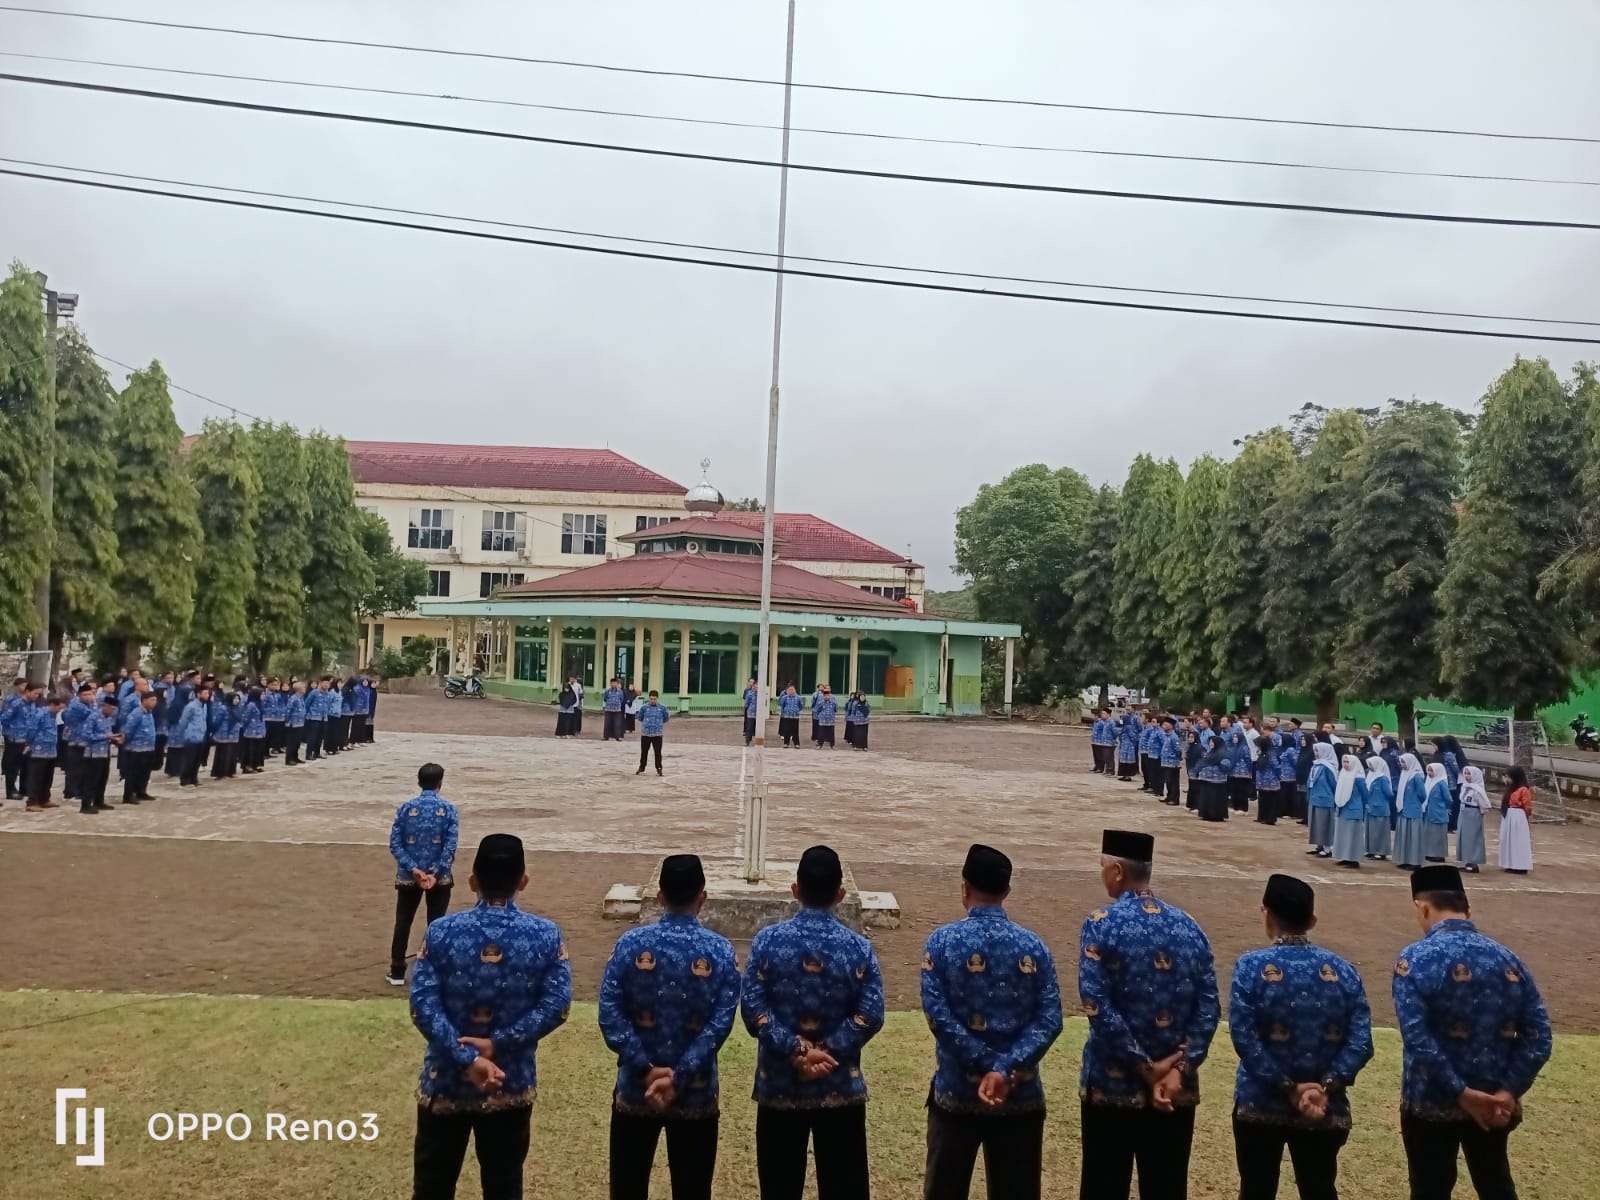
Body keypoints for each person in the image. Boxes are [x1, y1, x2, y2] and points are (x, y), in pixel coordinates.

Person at [409, 833, 572, 1200]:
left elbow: (423, 1006)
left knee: (432, 1187)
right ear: (523, 881)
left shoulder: (442, 932)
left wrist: (466, 1058)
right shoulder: (545, 935)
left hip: (446, 1080)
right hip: (508, 1081)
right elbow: (557, 1006)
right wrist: (496, 1044)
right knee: (503, 1186)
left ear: (472, 881)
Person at [1393, 864, 1551, 1200]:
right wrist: (1508, 1092)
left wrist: (1460, 1092)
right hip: (1494, 1104)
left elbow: (1417, 1038)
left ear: (1422, 907)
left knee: (1429, 1189)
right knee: (1496, 1184)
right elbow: (1539, 1036)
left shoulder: (1415, 959)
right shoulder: (1509, 960)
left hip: (1431, 1103)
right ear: (1467, 908)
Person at [1078, 830, 1219, 1200]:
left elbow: (1095, 1003)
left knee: (1103, 1186)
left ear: (1119, 871)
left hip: (1113, 1087)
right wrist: (1179, 1068)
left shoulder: (1101, 922)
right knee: (1167, 1186)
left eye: (1103, 866)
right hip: (1174, 1090)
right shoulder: (1190, 925)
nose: (1102, 874)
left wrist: (1142, 1065)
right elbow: (1209, 1007)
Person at [741, 846, 884, 1200]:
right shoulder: (859, 948)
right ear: (840, 894)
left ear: (795, 890)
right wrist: (825, 1051)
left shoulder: (767, 941)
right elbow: (870, 1016)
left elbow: (753, 1008)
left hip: (779, 1087)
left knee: (778, 1189)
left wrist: (797, 1049)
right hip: (839, 1088)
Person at [920, 844, 1062, 1200]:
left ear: (964, 888)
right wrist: (1005, 1069)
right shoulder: (1034, 946)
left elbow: (938, 1016)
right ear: (1007, 892)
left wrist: (985, 1065)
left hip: (956, 1094)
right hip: (1019, 1095)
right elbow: (1050, 1020)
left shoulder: (942, 943)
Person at [600, 853, 740, 1200]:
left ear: (660, 896)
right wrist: (679, 1076)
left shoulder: (630, 945)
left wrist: (645, 1069)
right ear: (703, 896)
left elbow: (610, 1014)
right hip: (695, 1091)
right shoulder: (720, 950)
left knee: (628, 1187)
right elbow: (720, 1024)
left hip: (636, 1088)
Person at [1230, 874, 1374, 1200]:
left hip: (1260, 1104)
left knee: (1255, 1189)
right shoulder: (1343, 971)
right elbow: (1361, 1041)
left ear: (1266, 914)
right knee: (1320, 1188)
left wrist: (1287, 1087)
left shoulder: (1250, 967)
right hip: (1324, 1106)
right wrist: (1325, 1087)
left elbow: (1244, 1038)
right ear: (1312, 920)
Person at [387, 763, 459, 987]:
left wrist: (414, 869)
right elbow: (450, 846)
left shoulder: (407, 808)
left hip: (410, 876)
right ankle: (433, 971)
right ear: (440, 783)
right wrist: (435, 872)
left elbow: (395, 844)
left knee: (403, 922)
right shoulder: (448, 809)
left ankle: (397, 970)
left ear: (419, 782)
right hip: (440, 877)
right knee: (436, 923)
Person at [22, 691, 67, 811]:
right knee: (36, 777)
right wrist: (29, 744)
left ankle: (44, 799)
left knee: (47, 777)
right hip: (38, 750)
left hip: (51, 751)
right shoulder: (40, 714)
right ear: (52, 704)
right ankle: (32, 802)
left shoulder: (53, 716)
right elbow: (31, 731)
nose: (59, 711)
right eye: (59, 708)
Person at [78, 695, 121, 815]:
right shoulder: (93, 717)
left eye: (114, 709)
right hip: (93, 754)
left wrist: (115, 739)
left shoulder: (109, 718)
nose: (112, 711)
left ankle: (99, 801)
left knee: (102, 779)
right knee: (91, 780)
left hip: (105, 752)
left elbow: (109, 734)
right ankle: (86, 805)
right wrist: (105, 737)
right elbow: (86, 735)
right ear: (104, 706)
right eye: (111, 708)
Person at [120, 690, 159, 804]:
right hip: (136, 748)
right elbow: (129, 730)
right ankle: (128, 795)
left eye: (155, 700)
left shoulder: (149, 713)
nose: (154, 703)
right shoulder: (136, 713)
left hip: (148, 747)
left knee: (145, 772)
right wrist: (126, 741)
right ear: (144, 700)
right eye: (152, 700)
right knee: (133, 773)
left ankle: (141, 791)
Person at [60, 682, 94, 803]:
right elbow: (94, 716)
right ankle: (70, 792)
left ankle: (79, 790)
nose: (88, 696)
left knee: (83, 767)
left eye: (90, 694)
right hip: (74, 740)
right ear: (79, 695)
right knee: (74, 768)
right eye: (85, 694)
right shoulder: (77, 705)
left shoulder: (88, 704)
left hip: (84, 740)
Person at [1332, 753, 1367, 869]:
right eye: (1344, 762)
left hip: (1354, 810)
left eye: (1347, 762)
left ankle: (1354, 860)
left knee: (1353, 836)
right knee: (1343, 834)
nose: (1345, 764)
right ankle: (1345, 857)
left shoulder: (1358, 778)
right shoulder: (1343, 774)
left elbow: (1365, 795)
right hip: (1343, 809)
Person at [1394, 753, 1428, 870]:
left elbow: (1422, 794)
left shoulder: (1416, 776)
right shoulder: (1404, 774)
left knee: (1413, 837)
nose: (1402, 765)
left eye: (1404, 762)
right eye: (1401, 762)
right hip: (1404, 810)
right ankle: (1406, 860)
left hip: (1413, 811)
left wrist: (1414, 803)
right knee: (1405, 836)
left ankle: (1415, 862)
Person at [1454, 765, 1490, 875]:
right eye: (1465, 773)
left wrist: (1478, 815)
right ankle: (1467, 862)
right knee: (1464, 838)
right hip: (1464, 813)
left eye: (1469, 774)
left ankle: (1473, 863)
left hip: (1473, 814)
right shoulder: (1465, 786)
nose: (1466, 776)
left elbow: (1484, 805)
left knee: (1473, 838)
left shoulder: (1478, 789)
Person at [1497, 766, 1533, 875]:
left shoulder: (1523, 790)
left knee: (1518, 841)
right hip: (1509, 815)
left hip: (1518, 815)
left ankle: (1520, 865)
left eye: (1508, 776)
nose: (1506, 779)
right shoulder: (1510, 789)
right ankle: (1510, 863)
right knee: (1509, 840)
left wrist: (1524, 817)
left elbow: (1527, 806)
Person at [1304, 743, 1338, 857]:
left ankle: (1328, 847)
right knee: (1315, 824)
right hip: (1314, 798)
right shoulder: (1315, 765)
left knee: (1324, 824)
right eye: (1315, 750)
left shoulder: (1328, 768)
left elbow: (1333, 784)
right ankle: (1319, 845)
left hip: (1325, 800)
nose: (1316, 753)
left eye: (1318, 750)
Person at [176, 684, 212, 787]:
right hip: (191, 737)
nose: (207, 695)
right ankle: (185, 780)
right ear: (198, 694)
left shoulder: (204, 706)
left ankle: (193, 779)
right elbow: (183, 722)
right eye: (205, 693)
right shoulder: (190, 706)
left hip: (201, 736)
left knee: (197, 760)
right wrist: (185, 734)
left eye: (208, 693)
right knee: (189, 760)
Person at [1364, 755, 1395, 861]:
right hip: (1370, 807)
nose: (1370, 767)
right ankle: (1371, 849)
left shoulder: (1382, 778)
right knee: (1371, 830)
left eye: (1372, 765)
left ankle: (1381, 851)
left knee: (1380, 831)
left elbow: (1389, 793)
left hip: (1380, 808)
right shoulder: (1370, 775)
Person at [1196, 733, 1231, 822]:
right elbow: (1203, 762)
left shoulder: (1223, 753)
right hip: (1206, 779)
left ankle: (1216, 815)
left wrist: (1218, 764)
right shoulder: (1210, 752)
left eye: (1212, 742)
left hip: (1217, 781)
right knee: (1206, 797)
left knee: (1215, 798)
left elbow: (1226, 766)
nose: (1210, 744)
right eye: (1210, 742)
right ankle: (1206, 814)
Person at [1422, 763, 1452, 864]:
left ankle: (1439, 855)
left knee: (1438, 835)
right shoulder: (1428, 781)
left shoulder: (1441, 783)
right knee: (1429, 834)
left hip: (1438, 813)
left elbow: (1448, 799)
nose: (1429, 773)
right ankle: (1429, 852)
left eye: (1432, 771)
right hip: (1429, 812)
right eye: (1428, 771)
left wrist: (1443, 808)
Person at [210, 688, 241, 779]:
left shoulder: (237, 709)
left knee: (232, 754)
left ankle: (230, 772)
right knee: (224, 754)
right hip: (224, 734)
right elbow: (218, 721)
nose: (237, 701)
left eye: (238, 699)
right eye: (235, 698)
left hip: (234, 734)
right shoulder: (223, 708)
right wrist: (214, 731)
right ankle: (221, 773)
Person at [637, 690, 669, 776]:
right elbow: (640, 718)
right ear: (649, 698)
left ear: (657, 698)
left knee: (658, 752)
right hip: (646, 733)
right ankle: (642, 767)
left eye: (654, 699)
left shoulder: (663, 708)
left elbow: (666, 719)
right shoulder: (644, 708)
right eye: (651, 699)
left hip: (657, 734)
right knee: (644, 751)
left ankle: (659, 768)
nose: (653, 701)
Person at [1253, 733, 1280, 825]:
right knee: (1262, 799)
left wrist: (1277, 777)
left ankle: (1270, 818)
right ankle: (1261, 816)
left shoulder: (1271, 754)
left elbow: (1276, 767)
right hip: (1262, 781)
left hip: (1270, 781)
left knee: (1270, 800)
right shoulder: (1262, 753)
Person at [239, 687, 267, 774]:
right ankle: (247, 766)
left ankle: (255, 765)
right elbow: (245, 718)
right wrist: (244, 727)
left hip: (259, 730)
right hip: (251, 731)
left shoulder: (260, 704)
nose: (264, 696)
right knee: (250, 749)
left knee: (257, 749)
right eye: (262, 694)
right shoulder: (251, 705)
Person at [1157, 716, 1182, 806]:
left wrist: (1176, 760)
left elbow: (1178, 750)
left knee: (1173, 782)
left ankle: (1174, 799)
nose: (1163, 726)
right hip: (1166, 762)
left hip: (1172, 764)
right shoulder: (1167, 736)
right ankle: (1169, 796)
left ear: (1171, 726)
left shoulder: (1174, 737)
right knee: (1168, 781)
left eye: (1165, 724)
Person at [303, 678, 329, 761]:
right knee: (312, 737)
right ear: (320, 683)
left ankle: (317, 753)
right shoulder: (314, 692)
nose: (326, 685)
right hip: (314, 717)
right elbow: (307, 703)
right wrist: (306, 715)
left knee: (320, 737)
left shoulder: (327, 693)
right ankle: (309, 754)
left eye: (327, 683)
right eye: (324, 683)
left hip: (324, 718)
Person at [1278, 731, 1301, 823]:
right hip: (1282, 775)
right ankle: (1282, 811)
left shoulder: (1290, 750)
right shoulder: (1282, 749)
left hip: (1290, 776)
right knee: (1282, 794)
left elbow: (1295, 762)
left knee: (1288, 795)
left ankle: (1289, 812)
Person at [284, 680, 307, 766]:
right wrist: (287, 720)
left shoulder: (301, 698)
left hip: (300, 723)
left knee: (297, 742)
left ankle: (295, 757)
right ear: (298, 689)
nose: (305, 689)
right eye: (303, 687)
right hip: (293, 723)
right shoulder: (293, 698)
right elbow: (288, 710)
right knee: (292, 742)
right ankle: (289, 759)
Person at [1115, 710, 1141, 781]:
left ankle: (1128, 776)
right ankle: (1124, 775)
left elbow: (1133, 736)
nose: (1121, 721)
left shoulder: (1128, 728)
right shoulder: (1124, 727)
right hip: (1124, 747)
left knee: (1127, 761)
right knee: (1123, 761)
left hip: (1129, 747)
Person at [813, 685, 838, 750]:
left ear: (829, 696)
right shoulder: (820, 702)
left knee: (831, 734)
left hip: (831, 721)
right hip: (822, 721)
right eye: (825, 695)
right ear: (823, 696)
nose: (826, 696)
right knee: (821, 733)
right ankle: (820, 745)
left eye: (828, 695)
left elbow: (836, 710)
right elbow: (817, 710)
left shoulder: (833, 702)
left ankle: (832, 745)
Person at [603, 678, 627, 742]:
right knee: (607, 724)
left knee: (617, 724)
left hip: (617, 710)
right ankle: (606, 737)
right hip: (608, 709)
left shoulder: (620, 691)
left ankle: (617, 737)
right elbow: (605, 699)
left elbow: (621, 699)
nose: (614, 684)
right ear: (610, 684)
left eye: (615, 683)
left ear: (617, 684)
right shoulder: (607, 691)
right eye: (612, 683)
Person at [1090, 708, 1113, 773]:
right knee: (1095, 755)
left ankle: (1100, 767)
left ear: (1097, 716)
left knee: (1100, 755)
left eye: (1094, 715)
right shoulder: (1095, 722)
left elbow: (1104, 731)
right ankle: (1096, 765)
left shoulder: (1101, 722)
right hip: (1094, 740)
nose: (1093, 717)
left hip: (1099, 741)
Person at [742, 678, 759, 747]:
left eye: (757, 687)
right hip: (751, 713)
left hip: (759, 714)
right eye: (755, 687)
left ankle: (758, 741)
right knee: (749, 728)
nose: (756, 688)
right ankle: (747, 741)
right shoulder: (749, 693)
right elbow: (747, 703)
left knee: (758, 728)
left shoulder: (760, 694)